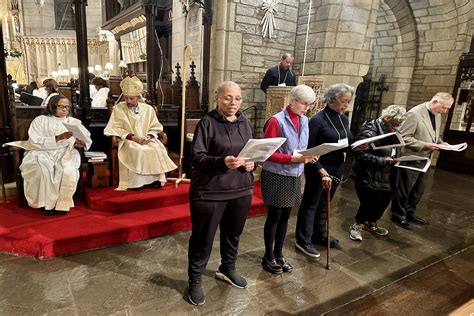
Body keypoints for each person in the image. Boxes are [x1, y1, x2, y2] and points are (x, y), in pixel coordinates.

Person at [186, 81, 254, 306]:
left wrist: (250, 163)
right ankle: (194, 280)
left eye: (237, 98)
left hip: (240, 188)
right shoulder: (207, 123)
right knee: (202, 239)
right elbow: (197, 159)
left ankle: (227, 268)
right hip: (210, 191)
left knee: (233, 233)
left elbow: (248, 152)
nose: (233, 103)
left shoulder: (245, 122)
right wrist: (223, 161)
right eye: (227, 97)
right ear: (217, 98)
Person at [260, 85, 319, 274]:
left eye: (309, 104)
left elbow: (301, 147)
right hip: (276, 174)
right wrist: (292, 159)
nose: (306, 108)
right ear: (292, 100)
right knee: (274, 216)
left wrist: (311, 155)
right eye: (303, 103)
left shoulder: (305, 120)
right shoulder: (276, 122)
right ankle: (268, 256)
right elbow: (266, 154)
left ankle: (279, 254)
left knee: (286, 216)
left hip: (294, 174)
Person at [295, 83, 354, 256]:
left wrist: (355, 148)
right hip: (318, 168)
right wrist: (321, 170)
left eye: (348, 101)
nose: (346, 105)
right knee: (310, 204)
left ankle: (319, 234)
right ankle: (303, 240)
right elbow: (309, 149)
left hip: (336, 167)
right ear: (332, 99)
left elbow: (344, 143)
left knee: (325, 202)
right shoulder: (317, 120)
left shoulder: (343, 118)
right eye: (344, 101)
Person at [7, 95, 92, 215]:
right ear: (52, 106)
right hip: (41, 151)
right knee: (43, 170)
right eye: (61, 106)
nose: (65, 110)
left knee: (65, 170)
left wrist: (81, 143)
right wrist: (57, 137)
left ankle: (61, 204)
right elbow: (34, 141)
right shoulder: (41, 120)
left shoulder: (73, 122)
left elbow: (86, 139)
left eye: (67, 107)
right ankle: (46, 204)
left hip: (64, 152)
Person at [390, 92, 454, 230]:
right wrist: (424, 145)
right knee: (404, 189)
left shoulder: (436, 115)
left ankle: (409, 213)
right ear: (435, 101)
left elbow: (433, 134)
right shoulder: (414, 114)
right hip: (412, 157)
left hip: (426, 158)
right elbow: (403, 138)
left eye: (447, 108)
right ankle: (397, 215)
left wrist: (442, 143)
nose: (445, 111)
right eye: (444, 107)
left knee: (418, 189)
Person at [104, 76, 177, 191]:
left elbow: (155, 126)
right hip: (128, 140)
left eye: (131, 98)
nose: (128, 101)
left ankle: (155, 180)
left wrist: (149, 136)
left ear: (138, 97)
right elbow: (115, 128)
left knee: (156, 149)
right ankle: (137, 183)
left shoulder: (148, 109)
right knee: (138, 151)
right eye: (126, 98)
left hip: (146, 139)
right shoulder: (118, 108)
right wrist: (132, 137)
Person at [349, 105, 407, 241]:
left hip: (387, 172)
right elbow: (360, 154)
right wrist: (382, 160)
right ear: (386, 119)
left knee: (384, 198)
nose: (395, 127)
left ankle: (371, 223)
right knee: (369, 200)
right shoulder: (370, 130)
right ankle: (357, 225)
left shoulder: (393, 129)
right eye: (393, 124)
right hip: (368, 173)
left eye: (398, 125)